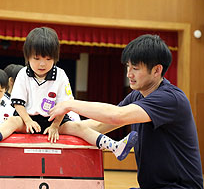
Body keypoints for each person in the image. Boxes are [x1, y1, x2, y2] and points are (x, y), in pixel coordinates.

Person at [48, 34, 204, 189]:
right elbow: (100, 124)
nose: (129, 74)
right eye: (128, 67)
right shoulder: (137, 95)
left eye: (135, 68)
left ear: (157, 70)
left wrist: (69, 104)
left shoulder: (170, 99)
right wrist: (55, 127)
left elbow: (116, 116)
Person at [0, 27, 137, 160]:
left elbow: (64, 105)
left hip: (55, 119)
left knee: (79, 127)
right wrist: (28, 121)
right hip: (28, 119)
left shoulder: (61, 75)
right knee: (11, 122)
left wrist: (55, 126)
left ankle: (115, 147)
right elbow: (17, 103)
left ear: (55, 58)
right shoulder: (23, 73)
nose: (42, 64)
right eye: (36, 58)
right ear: (28, 57)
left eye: (47, 58)